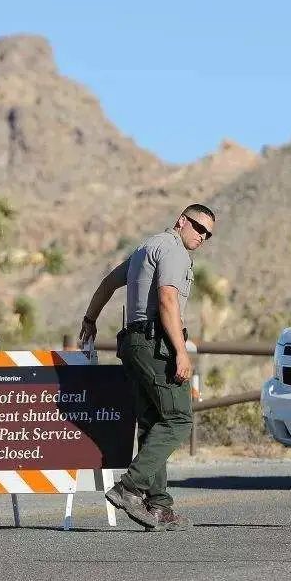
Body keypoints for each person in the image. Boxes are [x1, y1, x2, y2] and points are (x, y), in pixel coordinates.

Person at [78, 204, 215, 531]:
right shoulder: (173, 250)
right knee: (180, 419)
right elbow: (168, 300)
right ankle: (130, 487)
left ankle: (159, 506)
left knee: (152, 422)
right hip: (156, 344)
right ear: (182, 220)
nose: (201, 236)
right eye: (198, 227)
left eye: (208, 233)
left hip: (133, 345)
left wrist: (89, 319)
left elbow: (109, 283)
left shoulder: (146, 248)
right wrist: (181, 352)